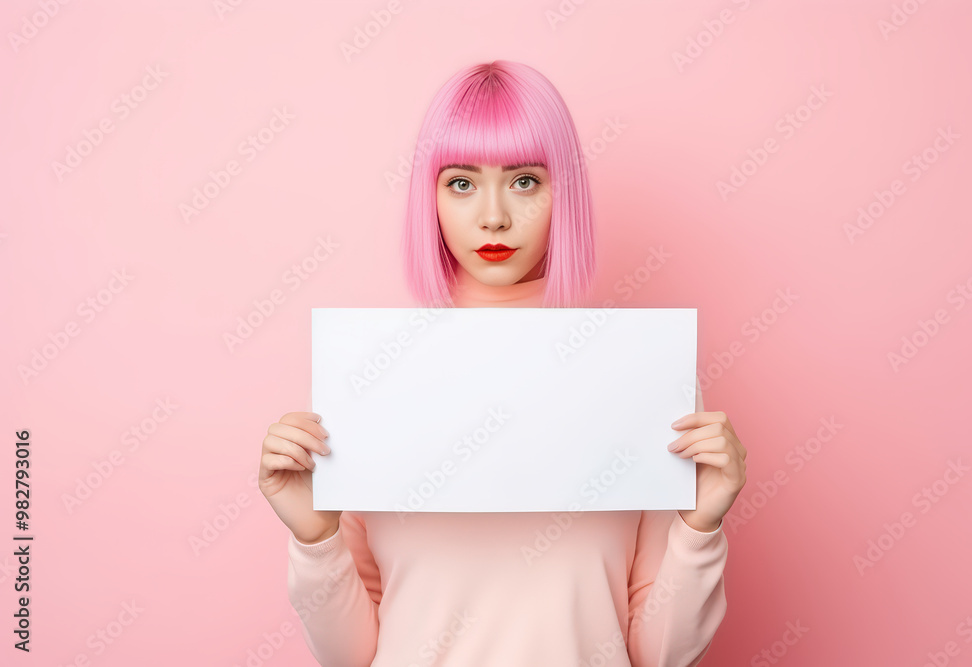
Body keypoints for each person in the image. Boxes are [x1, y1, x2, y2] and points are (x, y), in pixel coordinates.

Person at [258, 60, 749, 667]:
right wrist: (316, 538)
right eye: (461, 182)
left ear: (562, 189)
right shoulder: (371, 373)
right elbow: (352, 656)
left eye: (524, 181)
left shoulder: (643, 374)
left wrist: (700, 529)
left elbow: (658, 654)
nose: (493, 216)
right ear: (429, 197)